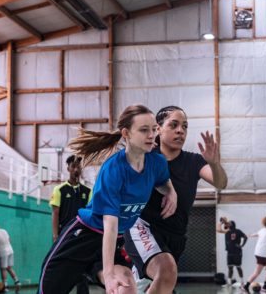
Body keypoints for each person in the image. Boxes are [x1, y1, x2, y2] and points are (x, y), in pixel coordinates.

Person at [37, 104, 177, 294]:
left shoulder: (156, 162)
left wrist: (170, 191)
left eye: (154, 129)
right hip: (83, 237)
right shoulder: (113, 169)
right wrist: (109, 273)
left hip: (114, 240)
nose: (152, 135)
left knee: (126, 285)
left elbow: (163, 181)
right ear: (126, 133)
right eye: (144, 130)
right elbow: (110, 224)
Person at [123, 105, 228, 294]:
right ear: (158, 129)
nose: (180, 130)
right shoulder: (147, 156)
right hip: (143, 227)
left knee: (149, 285)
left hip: (175, 236)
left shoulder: (194, 161)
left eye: (185, 126)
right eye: (174, 125)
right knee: (166, 270)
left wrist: (214, 163)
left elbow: (220, 182)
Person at [49, 155, 92, 294]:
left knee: (82, 269)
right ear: (68, 168)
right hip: (64, 235)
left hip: (82, 235)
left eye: (78, 167)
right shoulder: (59, 190)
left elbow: (90, 213)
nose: (76, 169)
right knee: (62, 267)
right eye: (73, 166)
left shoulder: (87, 191)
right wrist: (55, 235)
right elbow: (55, 213)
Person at [242, 217, 266, 294]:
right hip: (262, 254)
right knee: (257, 272)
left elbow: (256, 234)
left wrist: (249, 235)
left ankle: (265, 286)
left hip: (260, 254)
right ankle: (246, 287)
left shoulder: (262, 230)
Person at [216, 217, 247, 287]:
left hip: (237, 252)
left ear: (232, 224)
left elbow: (245, 237)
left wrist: (242, 245)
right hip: (229, 252)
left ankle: (242, 283)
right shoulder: (227, 231)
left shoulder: (238, 231)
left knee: (238, 267)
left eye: (229, 223)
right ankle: (229, 283)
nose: (227, 223)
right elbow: (218, 229)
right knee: (230, 267)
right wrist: (221, 222)